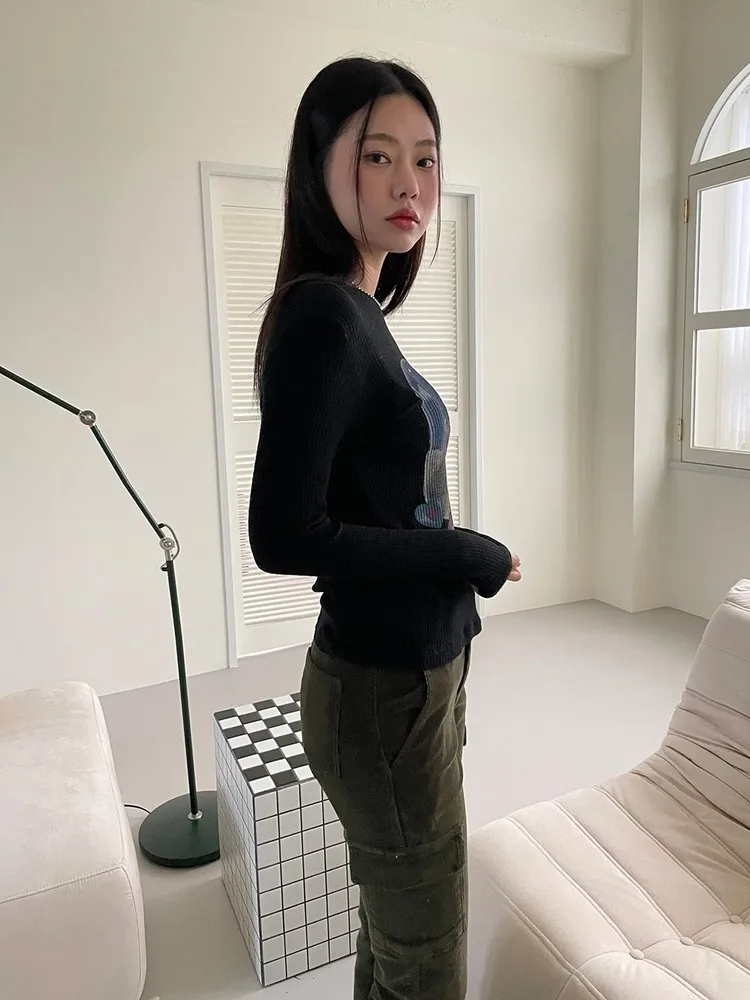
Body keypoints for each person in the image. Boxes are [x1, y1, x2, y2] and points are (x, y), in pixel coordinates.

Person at [249, 56, 521, 1000]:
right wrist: (464, 551)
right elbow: (283, 534)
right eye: (377, 156)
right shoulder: (325, 316)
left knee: (398, 931)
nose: (410, 184)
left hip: (413, 676)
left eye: (426, 159)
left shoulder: (359, 310)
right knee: (428, 952)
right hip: (382, 691)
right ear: (319, 167)